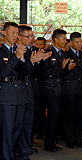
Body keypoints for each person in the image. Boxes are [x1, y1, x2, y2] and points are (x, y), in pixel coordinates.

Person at [14, 25, 50, 159]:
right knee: (16, 123)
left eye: (32, 36)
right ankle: (16, 149)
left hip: (32, 88)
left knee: (29, 122)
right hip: (16, 89)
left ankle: (25, 149)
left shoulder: (35, 50)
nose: (31, 39)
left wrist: (39, 61)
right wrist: (31, 62)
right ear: (19, 36)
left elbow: (38, 72)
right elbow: (20, 70)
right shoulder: (14, 50)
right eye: (27, 36)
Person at [0, 22, 30, 160]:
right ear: (4, 33)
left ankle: (10, 154)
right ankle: (6, 157)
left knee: (17, 128)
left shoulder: (17, 50)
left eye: (16, 33)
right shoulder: (1, 52)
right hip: (6, 95)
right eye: (12, 32)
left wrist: (23, 60)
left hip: (19, 95)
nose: (14, 36)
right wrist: (16, 57)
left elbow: (26, 73)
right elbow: (3, 72)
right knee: (7, 130)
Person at [39, 29, 71, 152]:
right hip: (48, 88)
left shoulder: (63, 54)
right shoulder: (47, 53)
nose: (65, 41)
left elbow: (61, 73)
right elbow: (44, 72)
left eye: (66, 38)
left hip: (58, 88)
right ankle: (48, 143)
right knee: (52, 114)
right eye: (63, 39)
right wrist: (61, 67)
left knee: (56, 115)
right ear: (55, 39)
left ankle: (52, 140)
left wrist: (67, 69)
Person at [61, 32, 82, 149]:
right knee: (69, 116)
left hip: (81, 89)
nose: (80, 44)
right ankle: (70, 139)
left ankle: (77, 137)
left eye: (81, 41)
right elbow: (62, 73)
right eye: (77, 42)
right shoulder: (65, 55)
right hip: (69, 89)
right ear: (71, 42)